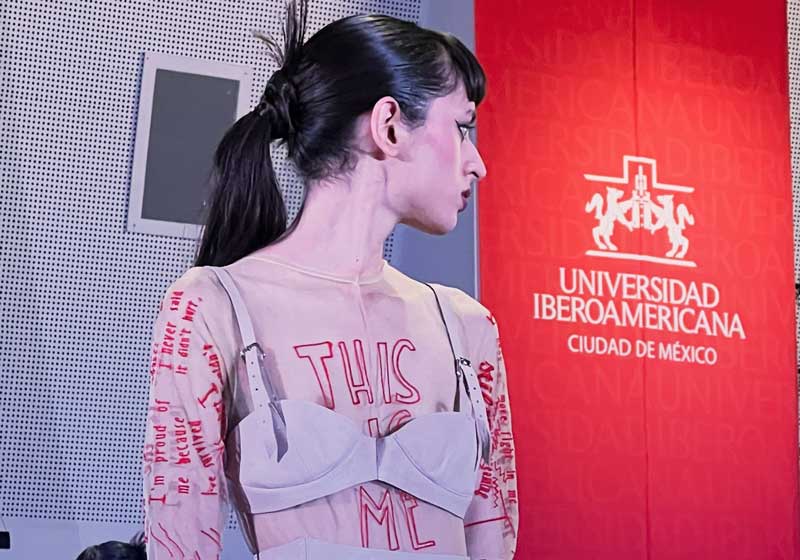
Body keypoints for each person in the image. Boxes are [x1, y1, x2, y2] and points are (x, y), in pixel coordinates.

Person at [142, 1, 518, 558]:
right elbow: (179, 541)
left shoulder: (467, 326)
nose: (477, 162)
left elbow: (493, 542)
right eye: (462, 128)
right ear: (389, 126)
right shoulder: (212, 307)